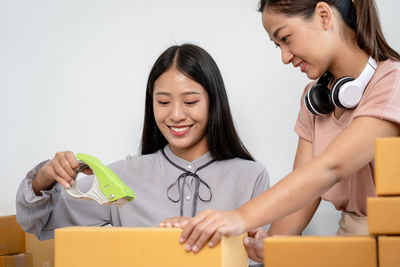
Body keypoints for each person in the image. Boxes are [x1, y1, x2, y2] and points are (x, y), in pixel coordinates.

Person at [176, 0, 400, 263]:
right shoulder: (315, 99)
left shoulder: (392, 83)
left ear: (324, 16)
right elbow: (306, 191)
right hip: (348, 245)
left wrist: (239, 216)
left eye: (286, 38)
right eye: (277, 45)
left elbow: (331, 168)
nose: (285, 57)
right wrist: (270, 245)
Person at [16, 44, 269, 243]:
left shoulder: (250, 178)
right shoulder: (122, 178)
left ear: (214, 103)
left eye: (190, 102)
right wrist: (45, 177)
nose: (177, 114)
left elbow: (260, 256)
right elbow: (42, 223)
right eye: (163, 102)